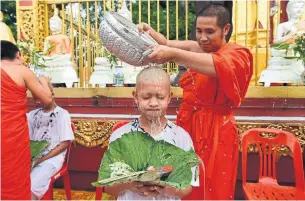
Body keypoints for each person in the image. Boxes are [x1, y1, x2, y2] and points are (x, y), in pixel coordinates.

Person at [138, 4, 253, 200]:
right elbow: (167, 43)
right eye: (199, 31)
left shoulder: (237, 54)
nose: (202, 37)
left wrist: (174, 55)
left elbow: (219, 66)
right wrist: (150, 33)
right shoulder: (198, 48)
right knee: (185, 182)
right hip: (189, 127)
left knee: (212, 185)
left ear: (225, 29)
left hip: (217, 131)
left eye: (210, 31)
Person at [103, 67, 199, 200]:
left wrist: (168, 189)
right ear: (136, 97)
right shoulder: (120, 136)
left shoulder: (181, 137)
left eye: (160, 97)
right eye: (146, 97)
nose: (153, 103)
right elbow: (108, 188)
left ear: (169, 97)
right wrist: (130, 183)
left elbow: (188, 188)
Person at [1, 40, 53, 200]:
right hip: (13, 137)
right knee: (15, 179)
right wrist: (43, 80)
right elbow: (47, 100)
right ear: (18, 55)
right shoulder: (21, 70)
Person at [27, 82, 75, 200]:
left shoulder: (62, 114)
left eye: (40, 97)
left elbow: (64, 144)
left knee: (32, 185)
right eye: (35, 98)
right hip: (32, 158)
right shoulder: (32, 115)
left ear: (51, 95)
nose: (38, 101)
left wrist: (40, 160)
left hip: (52, 159)